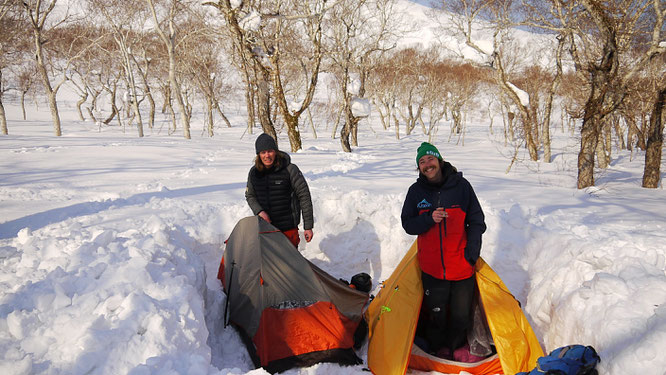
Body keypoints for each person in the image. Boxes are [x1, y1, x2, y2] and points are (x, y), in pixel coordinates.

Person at [401, 142, 486, 360]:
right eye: (421, 162)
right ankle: (438, 349)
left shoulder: (462, 186)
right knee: (436, 314)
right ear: (419, 168)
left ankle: (456, 348)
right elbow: (408, 225)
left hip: (461, 265)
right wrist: (429, 219)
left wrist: (472, 254)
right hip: (433, 268)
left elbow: (477, 221)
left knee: (460, 315)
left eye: (430, 159)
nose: (427, 164)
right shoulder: (415, 192)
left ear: (439, 160)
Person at [246, 133, 314, 247]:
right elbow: (250, 195)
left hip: (288, 229)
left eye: (270, 151)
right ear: (258, 155)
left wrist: (308, 226)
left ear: (276, 151)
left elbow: (304, 196)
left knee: (289, 262)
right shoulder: (254, 173)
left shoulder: (290, 169)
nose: (267, 155)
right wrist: (259, 211)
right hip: (266, 229)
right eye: (263, 152)